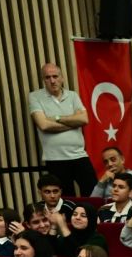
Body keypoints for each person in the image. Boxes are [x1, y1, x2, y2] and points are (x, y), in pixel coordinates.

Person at [27, 63, 93, 195]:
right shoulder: (35, 96)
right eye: (47, 77)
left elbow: (84, 119)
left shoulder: (72, 95)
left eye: (55, 76)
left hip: (79, 155)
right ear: (43, 80)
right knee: (66, 199)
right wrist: (73, 122)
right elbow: (44, 125)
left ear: (62, 78)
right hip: (56, 158)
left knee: (93, 193)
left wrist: (56, 118)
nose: (52, 80)